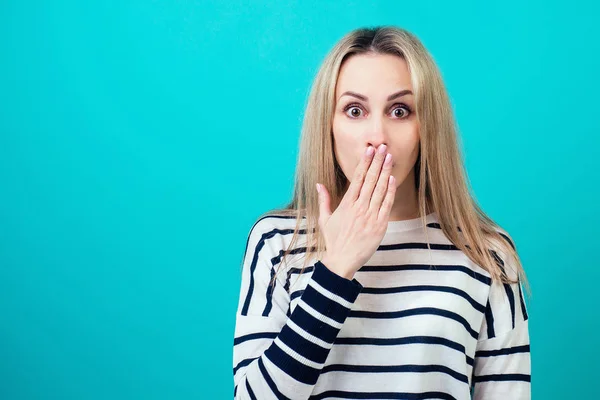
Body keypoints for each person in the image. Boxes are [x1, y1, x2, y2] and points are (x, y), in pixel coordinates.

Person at [232, 25, 531, 400]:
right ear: (328, 125)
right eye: (354, 110)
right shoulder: (276, 241)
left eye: (400, 110)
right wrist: (337, 268)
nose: (378, 135)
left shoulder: (488, 254)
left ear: (428, 128)